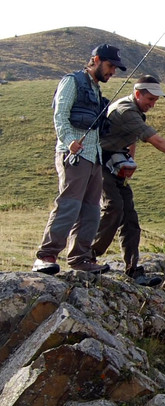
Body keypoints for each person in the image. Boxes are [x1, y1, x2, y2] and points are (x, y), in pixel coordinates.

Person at [91, 75, 165, 286]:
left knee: (130, 218)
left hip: (116, 166)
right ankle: (89, 254)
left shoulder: (134, 110)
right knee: (114, 207)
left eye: (156, 100)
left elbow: (131, 139)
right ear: (138, 94)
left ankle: (133, 270)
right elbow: (157, 141)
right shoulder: (127, 111)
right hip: (99, 164)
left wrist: (129, 163)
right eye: (150, 99)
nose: (153, 104)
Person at [32, 43, 126, 275]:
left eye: (115, 67)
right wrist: (68, 141)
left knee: (92, 211)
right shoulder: (71, 81)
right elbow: (60, 115)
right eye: (110, 65)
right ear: (95, 60)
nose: (112, 71)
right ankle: (46, 256)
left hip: (93, 157)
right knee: (69, 204)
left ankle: (80, 259)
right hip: (74, 154)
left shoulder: (96, 89)